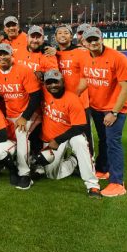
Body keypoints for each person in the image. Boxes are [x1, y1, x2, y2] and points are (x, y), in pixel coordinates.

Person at [77, 27, 127, 197]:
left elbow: (126, 88)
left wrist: (114, 112)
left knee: (113, 142)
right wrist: (73, 96)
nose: (93, 42)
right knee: (103, 139)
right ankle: (104, 169)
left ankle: (117, 183)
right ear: (84, 42)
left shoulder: (118, 58)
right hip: (97, 106)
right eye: (90, 40)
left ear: (101, 39)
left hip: (115, 108)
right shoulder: (85, 57)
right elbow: (86, 79)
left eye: (96, 39)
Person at [35, 70, 102, 198]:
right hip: (52, 138)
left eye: (56, 82)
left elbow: (79, 127)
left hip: (70, 135)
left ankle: (92, 185)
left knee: (80, 142)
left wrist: (58, 140)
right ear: (45, 84)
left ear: (63, 82)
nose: (53, 85)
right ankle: (73, 160)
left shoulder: (72, 99)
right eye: (49, 82)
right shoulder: (45, 93)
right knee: (52, 175)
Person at [0, 43, 41, 190]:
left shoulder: (23, 70)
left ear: (12, 55)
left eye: (5, 53)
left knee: (20, 132)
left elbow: (36, 96)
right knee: (5, 142)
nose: (2, 57)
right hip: (10, 114)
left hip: (30, 113)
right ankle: (21, 160)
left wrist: (25, 116)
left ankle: (25, 173)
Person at [54, 24, 93, 153]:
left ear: (71, 36)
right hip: (59, 104)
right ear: (55, 37)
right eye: (60, 33)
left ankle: (89, 161)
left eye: (66, 32)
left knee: (84, 134)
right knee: (61, 133)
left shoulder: (81, 52)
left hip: (80, 101)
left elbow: (88, 76)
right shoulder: (52, 53)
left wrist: (74, 96)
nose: (63, 35)